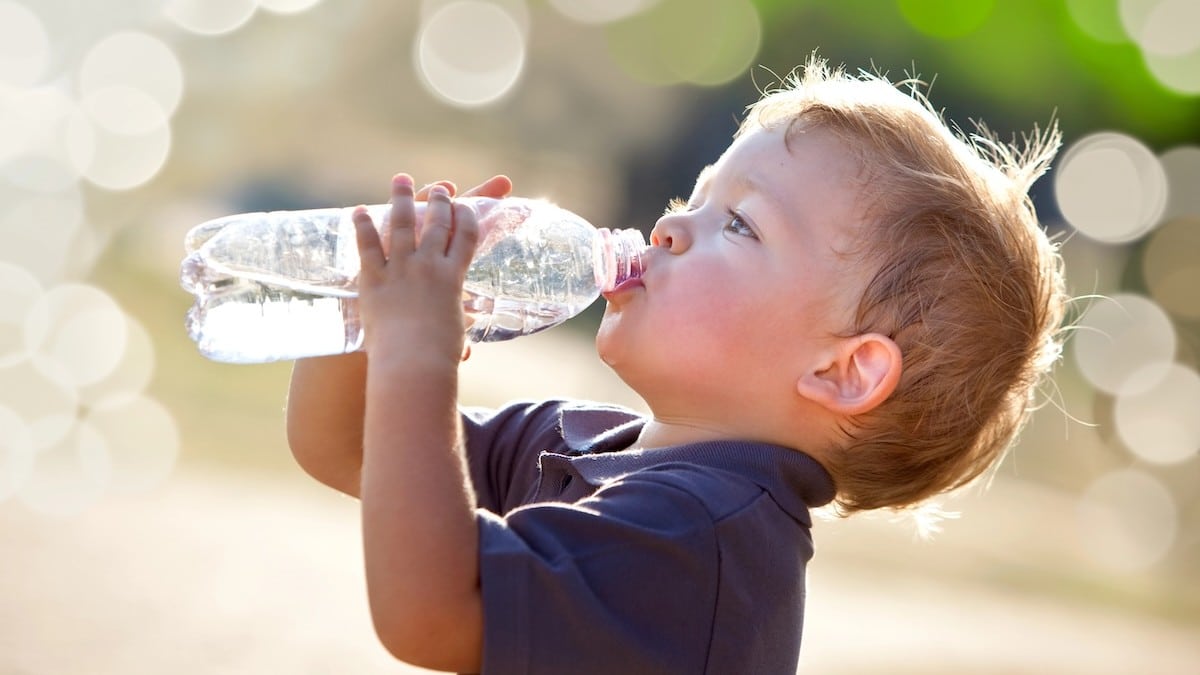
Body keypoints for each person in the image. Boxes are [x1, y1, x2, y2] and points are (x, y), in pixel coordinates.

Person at [285, 55, 1067, 674]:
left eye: (737, 223)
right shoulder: (587, 443)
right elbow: (347, 441)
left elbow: (429, 613)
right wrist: (367, 312)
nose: (667, 227)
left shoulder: (702, 538)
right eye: (692, 197)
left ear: (842, 372)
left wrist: (419, 355)